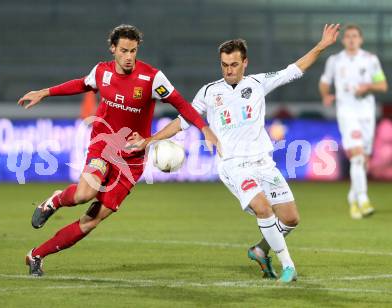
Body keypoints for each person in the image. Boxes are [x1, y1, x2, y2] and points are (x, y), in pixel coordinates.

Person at [138, 24, 340, 283]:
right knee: (263, 209)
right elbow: (183, 120)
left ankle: (260, 250)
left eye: (233, 64)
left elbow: (295, 70)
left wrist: (321, 45)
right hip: (233, 164)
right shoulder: (210, 92)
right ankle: (288, 265)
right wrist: (151, 140)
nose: (228, 70)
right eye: (224, 65)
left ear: (245, 62)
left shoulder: (258, 83)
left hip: (263, 162)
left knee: (290, 219)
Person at [17, 24, 219, 276]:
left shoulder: (152, 77)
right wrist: (45, 92)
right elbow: (81, 84)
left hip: (132, 160)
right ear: (113, 49)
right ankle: (56, 200)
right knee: (84, 194)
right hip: (104, 145)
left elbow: (180, 104)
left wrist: (204, 128)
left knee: (91, 221)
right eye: (123, 50)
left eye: (133, 51)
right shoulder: (102, 72)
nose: (129, 57)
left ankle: (36, 255)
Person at [319, 24, 388, 219]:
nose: (351, 39)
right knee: (357, 157)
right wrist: (325, 95)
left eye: (354, 36)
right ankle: (364, 200)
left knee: (363, 161)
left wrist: (367, 86)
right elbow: (324, 81)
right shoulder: (335, 61)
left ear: (361, 39)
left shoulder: (371, 60)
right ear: (343, 40)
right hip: (347, 112)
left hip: (366, 114)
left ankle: (353, 200)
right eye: (348, 36)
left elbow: (382, 85)